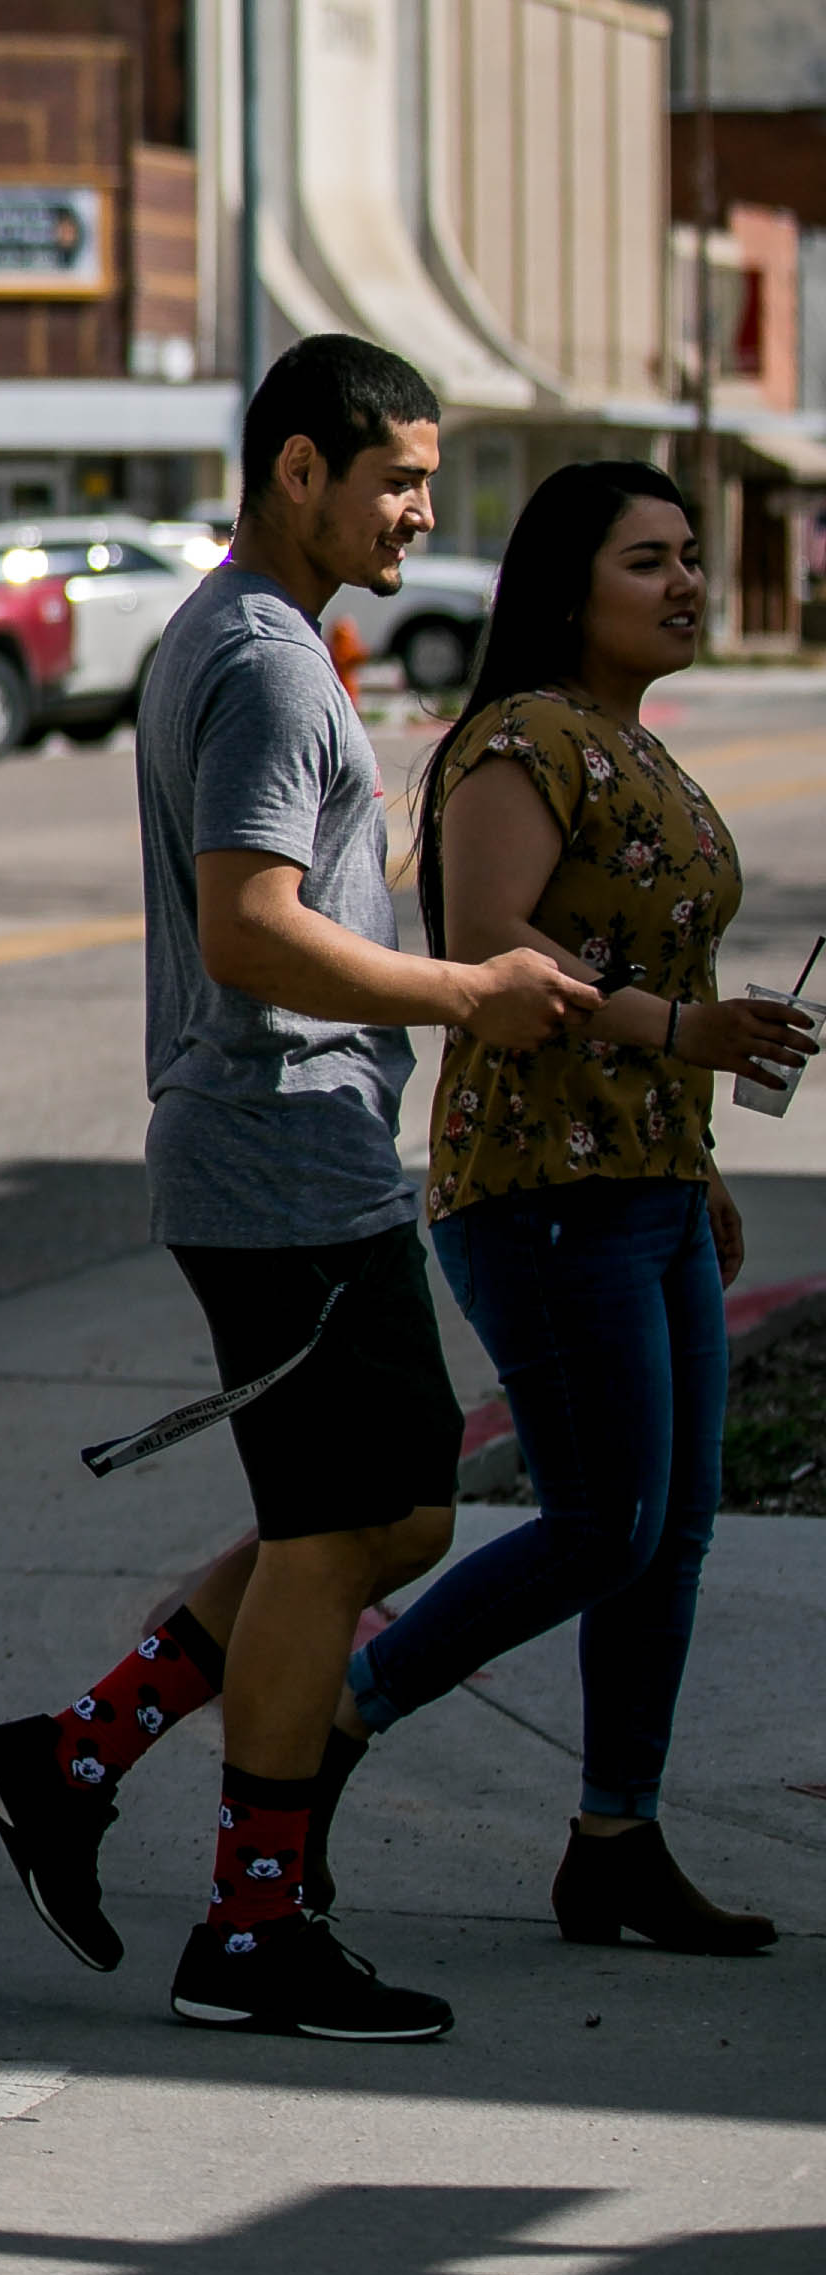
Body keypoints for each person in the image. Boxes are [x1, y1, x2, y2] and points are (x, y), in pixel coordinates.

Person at [0, 334, 596, 2042]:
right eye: (394, 477)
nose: (418, 509)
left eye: (429, 480)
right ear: (294, 471)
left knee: (386, 1513)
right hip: (278, 1151)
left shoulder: (255, 642)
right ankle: (247, 1928)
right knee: (351, 1529)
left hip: (292, 1149)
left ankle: (75, 1758)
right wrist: (466, 995)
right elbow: (248, 922)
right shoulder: (258, 659)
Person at [340, 463, 790, 1951]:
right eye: (647, 560)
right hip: (538, 1187)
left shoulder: (629, 742)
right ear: (567, 586)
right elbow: (484, 943)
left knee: (673, 1532)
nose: (683, 585)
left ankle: (616, 1841)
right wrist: (680, 1038)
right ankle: (333, 1712)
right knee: (604, 1523)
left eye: (690, 560)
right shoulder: (524, 742)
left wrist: (697, 1148)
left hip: (644, 1184)